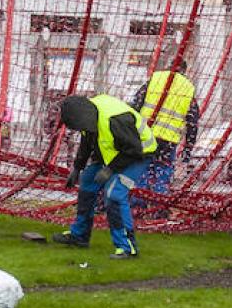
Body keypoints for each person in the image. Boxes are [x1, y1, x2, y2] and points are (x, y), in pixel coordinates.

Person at [53, 92, 157, 258]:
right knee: (88, 181)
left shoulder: (116, 120)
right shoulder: (88, 116)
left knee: (114, 193)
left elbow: (134, 150)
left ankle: (127, 247)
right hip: (115, 153)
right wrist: (77, 168)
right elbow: (87, 142)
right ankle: (80, 236)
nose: (80, 130)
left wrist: (109, 170)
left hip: (138, 155)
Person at [130, 65, 200, 214]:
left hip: (146, 134)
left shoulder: (155, 79)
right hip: (168, 139)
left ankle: (137, 207)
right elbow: (192, 121)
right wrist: (188, 148)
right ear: (184, 71)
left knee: (142, 169)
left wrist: (131, 130)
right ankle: (159, 208)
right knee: (162, 171)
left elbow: (136, 104)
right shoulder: (187, 88)